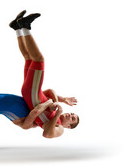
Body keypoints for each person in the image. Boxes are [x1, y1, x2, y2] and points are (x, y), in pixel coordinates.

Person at [9, 10, 80, 138]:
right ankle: (17, 28)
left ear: (68, 126)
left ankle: (25, 26)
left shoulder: (59, 128)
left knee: (39, 60)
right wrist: (59, 101)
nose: (70, 115)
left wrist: (57, 112)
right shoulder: (54, 110)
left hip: (32, 93)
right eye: (72, 114)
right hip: (32, 92)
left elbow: (47, 134)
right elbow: (49, 91)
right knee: (29, 58)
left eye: (72, 119)